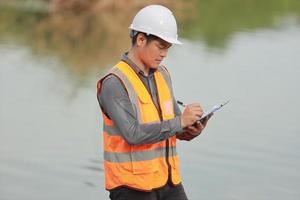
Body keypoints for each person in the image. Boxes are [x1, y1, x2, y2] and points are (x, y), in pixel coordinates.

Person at [97, 5, 212, 200]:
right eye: (160, 46)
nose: (164, 54)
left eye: (168, 48)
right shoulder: (114, 83)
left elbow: (174, 125)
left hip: (168, 182)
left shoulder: (164, 75)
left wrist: (190, 130)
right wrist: (180, 122)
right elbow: (133, 134)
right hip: (131, 188)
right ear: (141, 39)